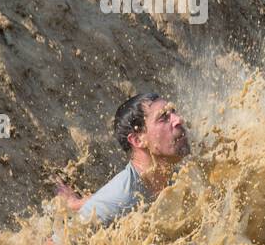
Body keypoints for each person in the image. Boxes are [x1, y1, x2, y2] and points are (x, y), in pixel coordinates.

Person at [55, 93, 190, 226]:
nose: (179, 119)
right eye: (163, 118)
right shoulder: (117, 200)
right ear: (137, 140)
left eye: (173, 112)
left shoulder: (178, 172)